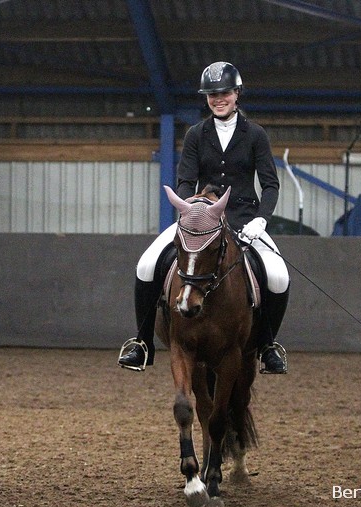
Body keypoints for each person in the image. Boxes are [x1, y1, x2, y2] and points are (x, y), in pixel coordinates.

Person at [117, 61, 290, 374]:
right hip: (199, 219)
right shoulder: (196, 134)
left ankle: (267, 346)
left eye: (224, 93)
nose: (218, 99)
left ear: (237, 94)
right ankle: (142, 343)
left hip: (243, 219)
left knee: (278, 275)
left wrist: (261, 220)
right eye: (212, 94)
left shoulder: (255, 135)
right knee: (146, 265)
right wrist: (190, 209)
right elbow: (185, 180)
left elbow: (270, 185)